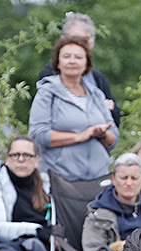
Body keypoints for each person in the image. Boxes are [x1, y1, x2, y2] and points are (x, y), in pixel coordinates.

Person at [29, 34, 117, 182]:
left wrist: (102, 134)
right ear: (58, 63)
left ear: (86, 64)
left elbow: (114, 137)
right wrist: (79, 136)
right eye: (66, 56)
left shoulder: (96, 94)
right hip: (60, 179)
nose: (72, 61)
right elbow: (38, 135)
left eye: (78, 57)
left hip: (98, 178)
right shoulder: (47, 93)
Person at [36, 13, 120, 128]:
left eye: (84, 41)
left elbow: (115, 121)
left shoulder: (97, 79)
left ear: (92, 44)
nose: (78, 46)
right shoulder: (49, 76)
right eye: (74, 40)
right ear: (62, 41)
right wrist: (99, 108)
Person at [81, 152, 141, 251]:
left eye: (134, 178)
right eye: (124, 177)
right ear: (113, 179)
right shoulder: (97, 215)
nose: (129, 183)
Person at [0, 135, 51, 243]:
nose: (21, 159)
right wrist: (36, 230)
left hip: (44, 242)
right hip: (9, 245)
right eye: (15, 155)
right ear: (7, 159)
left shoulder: (47, 185)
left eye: (27, 155)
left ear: (36, 160)